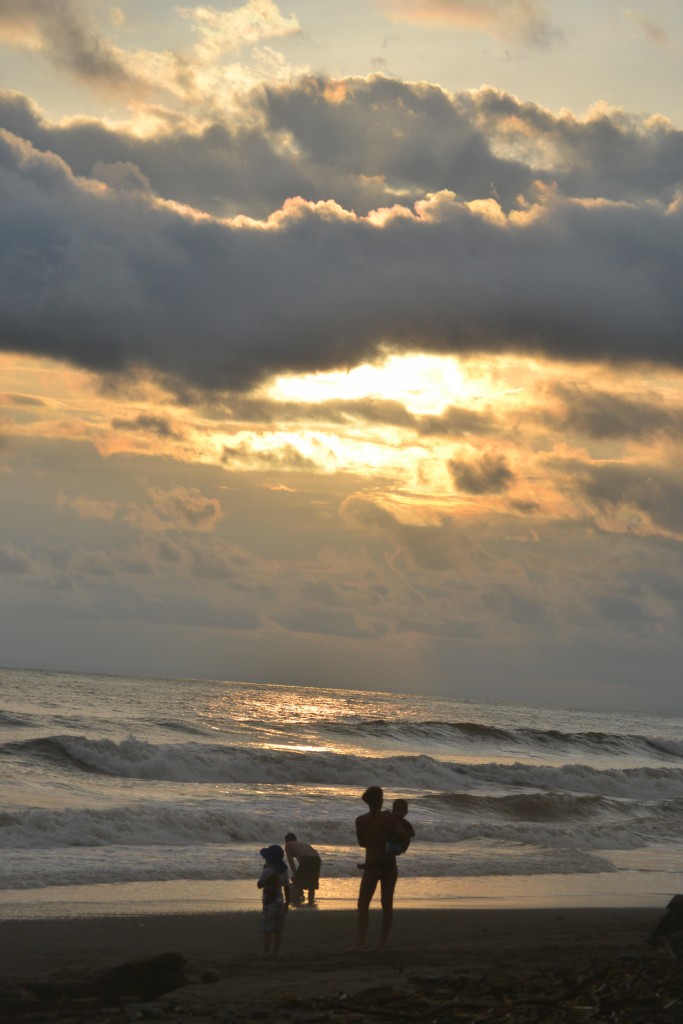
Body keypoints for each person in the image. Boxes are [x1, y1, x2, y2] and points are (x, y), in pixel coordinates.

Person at [351, 786, 409, 952]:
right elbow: (402, 834)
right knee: (387, 905)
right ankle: (381, 945)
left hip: (372, 865)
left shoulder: (361, 820)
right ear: (382, 800)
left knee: (363, 904)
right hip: (390, 864)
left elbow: (361, 843)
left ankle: (359, 943)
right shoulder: (390, 819)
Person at [357, 797, 414, 866]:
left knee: (382, 848)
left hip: (399, 846)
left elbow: (413, 833)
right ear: (393, 810)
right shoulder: (390, 819)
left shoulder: (405, 823)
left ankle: (369, 863)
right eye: (397, 810)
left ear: (406, 813)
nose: (399, 813)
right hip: (392, 844)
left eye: (402, 811)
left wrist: (402, 833)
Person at [257, 844, 290, 955]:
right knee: (278, 930)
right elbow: (286, 887)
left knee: (267, 929)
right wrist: (287, 903)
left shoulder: (267, 871)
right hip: (280, 903)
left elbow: (259, 885)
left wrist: (264, 871)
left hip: (268, 905)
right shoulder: (284, 872)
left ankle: (266, 952)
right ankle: (275, 952)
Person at [284, 833, 321, 906]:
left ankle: (298, 899)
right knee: (312, 884)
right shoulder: (300, 844)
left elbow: (291, 861)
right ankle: (311, 901)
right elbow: (300, 861)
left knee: (297, 882)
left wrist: (295, 873)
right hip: (317, 859)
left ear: (286, 841)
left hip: (307, 859)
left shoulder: (288, 845)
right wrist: (298, 873)